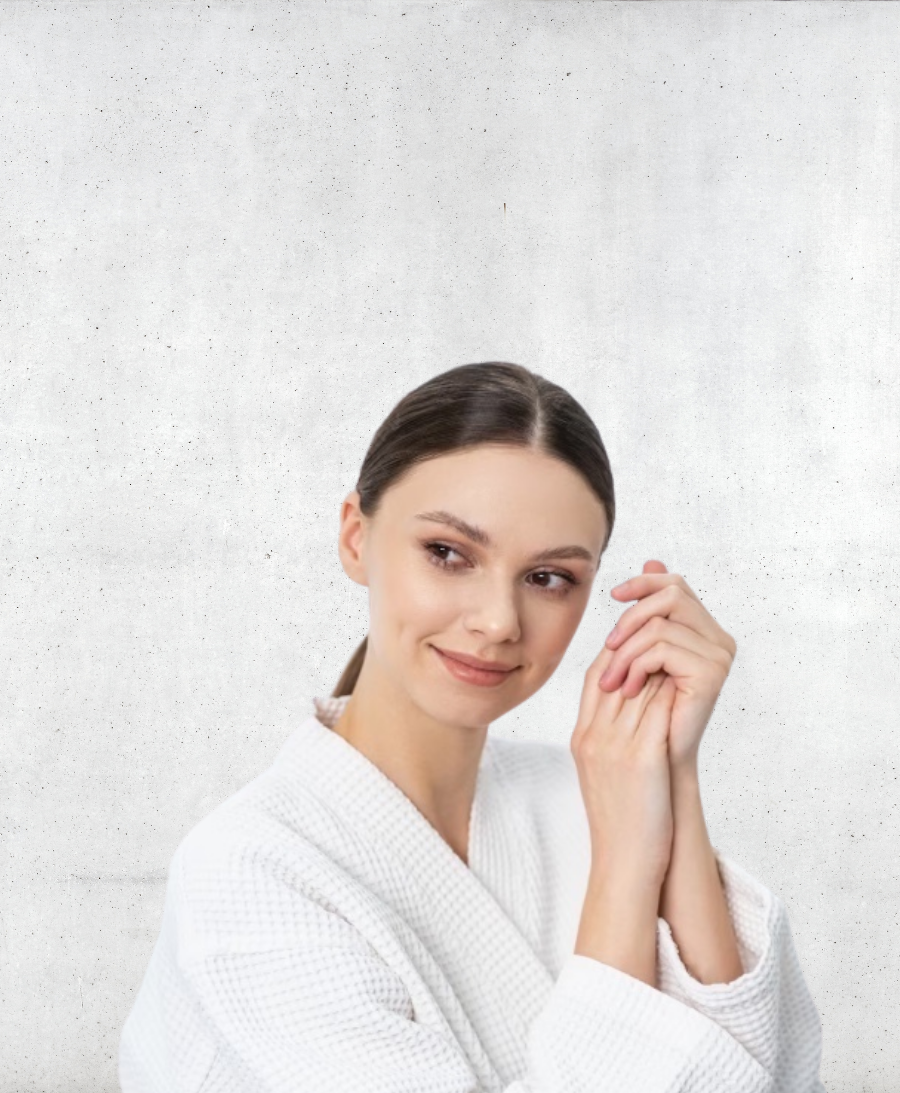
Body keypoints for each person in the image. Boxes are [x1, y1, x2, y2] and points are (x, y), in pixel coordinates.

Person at [119, 361, 825, 1091]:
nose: (498, 622)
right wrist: (625, 865)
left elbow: (768, 1072)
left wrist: (672, 770)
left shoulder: (594, 790)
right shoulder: (247, 871)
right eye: (448, 553)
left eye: (548, 577)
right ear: (356, 537)